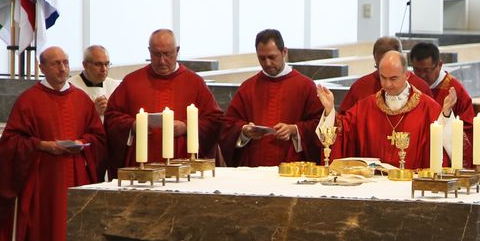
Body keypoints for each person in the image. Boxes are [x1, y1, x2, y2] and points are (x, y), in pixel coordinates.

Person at [0, 46, 105, 241]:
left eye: (66, 63)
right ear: (42, 67)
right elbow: (11, 142)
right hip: (41, 183)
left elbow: (98, 137)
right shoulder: (29, 100)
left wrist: (82, 143)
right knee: (43, 236)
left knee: (73, 235)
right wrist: (43, 145)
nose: (62, 68)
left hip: (75, 179)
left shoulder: (81, 100)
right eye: (56, 64)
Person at [104, 29, 224, 176]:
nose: (161, 60)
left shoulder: (194, 83)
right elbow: (112, 117)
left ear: (177, 51)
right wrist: (133, 125)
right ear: (149, 51)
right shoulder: (131, 82)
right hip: (142, 167)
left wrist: (186, 126)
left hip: (183, 165)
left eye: (167, 54)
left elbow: (215, 120)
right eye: (156, 54)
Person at [316, 50, 458, 169]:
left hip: (411, 186)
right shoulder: (366, 107)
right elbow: (342, 133)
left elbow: (449, 147)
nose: (388, 84)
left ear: (407, 75)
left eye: (393, 78)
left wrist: (446, 115)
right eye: (383, 78)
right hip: (373, 185)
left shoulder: (428, 108)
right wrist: (330, 110)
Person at [222, 28, 325, 167]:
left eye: (272, 57)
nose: (267, 63)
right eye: (262, 58)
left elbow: (321, 125)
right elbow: (228, 124)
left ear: (284, 52)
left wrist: (293, 129)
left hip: (292, 165)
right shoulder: (248, 87)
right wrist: (244, 130)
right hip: (254, 164)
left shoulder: (305, 86)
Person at [409, 41, 475, 163]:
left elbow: (468, 127)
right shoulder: (410, 86)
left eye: (427, 70)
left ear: (439, 65)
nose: (421, 75)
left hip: (444, 158)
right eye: (417, 70)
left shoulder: (455, 90)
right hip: (415, 153)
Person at [338, 36, 431, 113]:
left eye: (393, 77)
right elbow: (344, 124)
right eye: (379, 67)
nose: (387, 84)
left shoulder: (421, 88)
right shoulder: (360, 87)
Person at [67, 44, 119, 119]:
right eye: (98, 64)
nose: (104, 69)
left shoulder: (114, 86)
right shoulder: (71, 86)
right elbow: (68, 119)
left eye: (107, 64)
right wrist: (93, 112)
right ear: (85, 65)